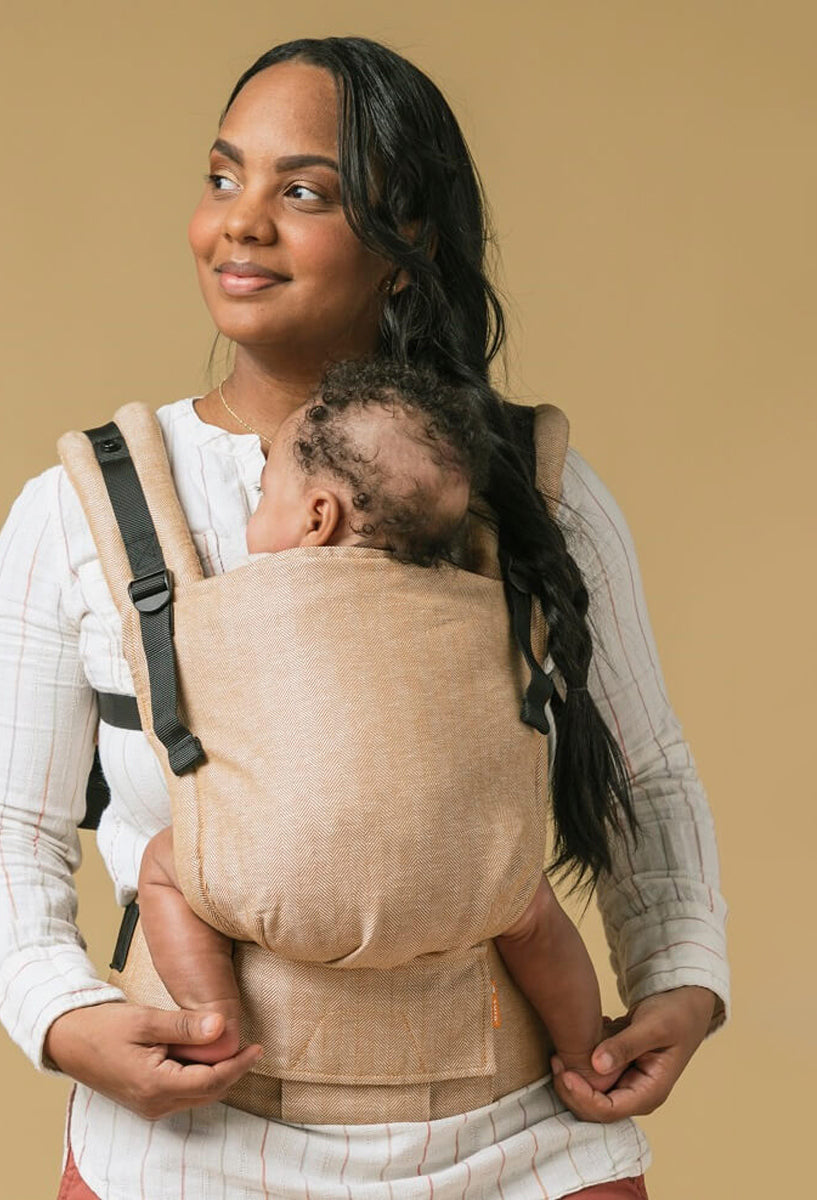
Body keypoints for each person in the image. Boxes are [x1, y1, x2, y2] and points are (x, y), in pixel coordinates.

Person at [0, 36, 729, 1200]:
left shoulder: (532, 487)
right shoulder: (79, 510)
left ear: (406, 254)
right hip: (185, 1153)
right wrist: (58, 1014)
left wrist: (682, 973)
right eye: (222, 178)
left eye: (302, 192)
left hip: (520, 1146)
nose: (239, 223)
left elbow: (644, 771)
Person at [137, 355, 621, 1099]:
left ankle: (213, 1020)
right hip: (468, 884)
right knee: (532, 913)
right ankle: (588, 1055)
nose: (251, 514)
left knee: (165, 868)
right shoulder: (469, 601)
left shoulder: (252, 597)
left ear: (317, 517)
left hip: (274, 878)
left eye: (266, 494)